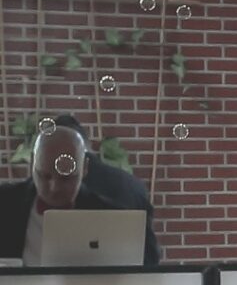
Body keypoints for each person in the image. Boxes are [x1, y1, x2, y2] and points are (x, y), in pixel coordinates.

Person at [0, 113, 163, 264]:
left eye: (66, 178)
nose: (54, 187)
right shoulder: (5, 203)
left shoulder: (112, 216)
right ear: (32, 163)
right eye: (45, 176)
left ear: (84, 168)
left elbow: (149, 269)